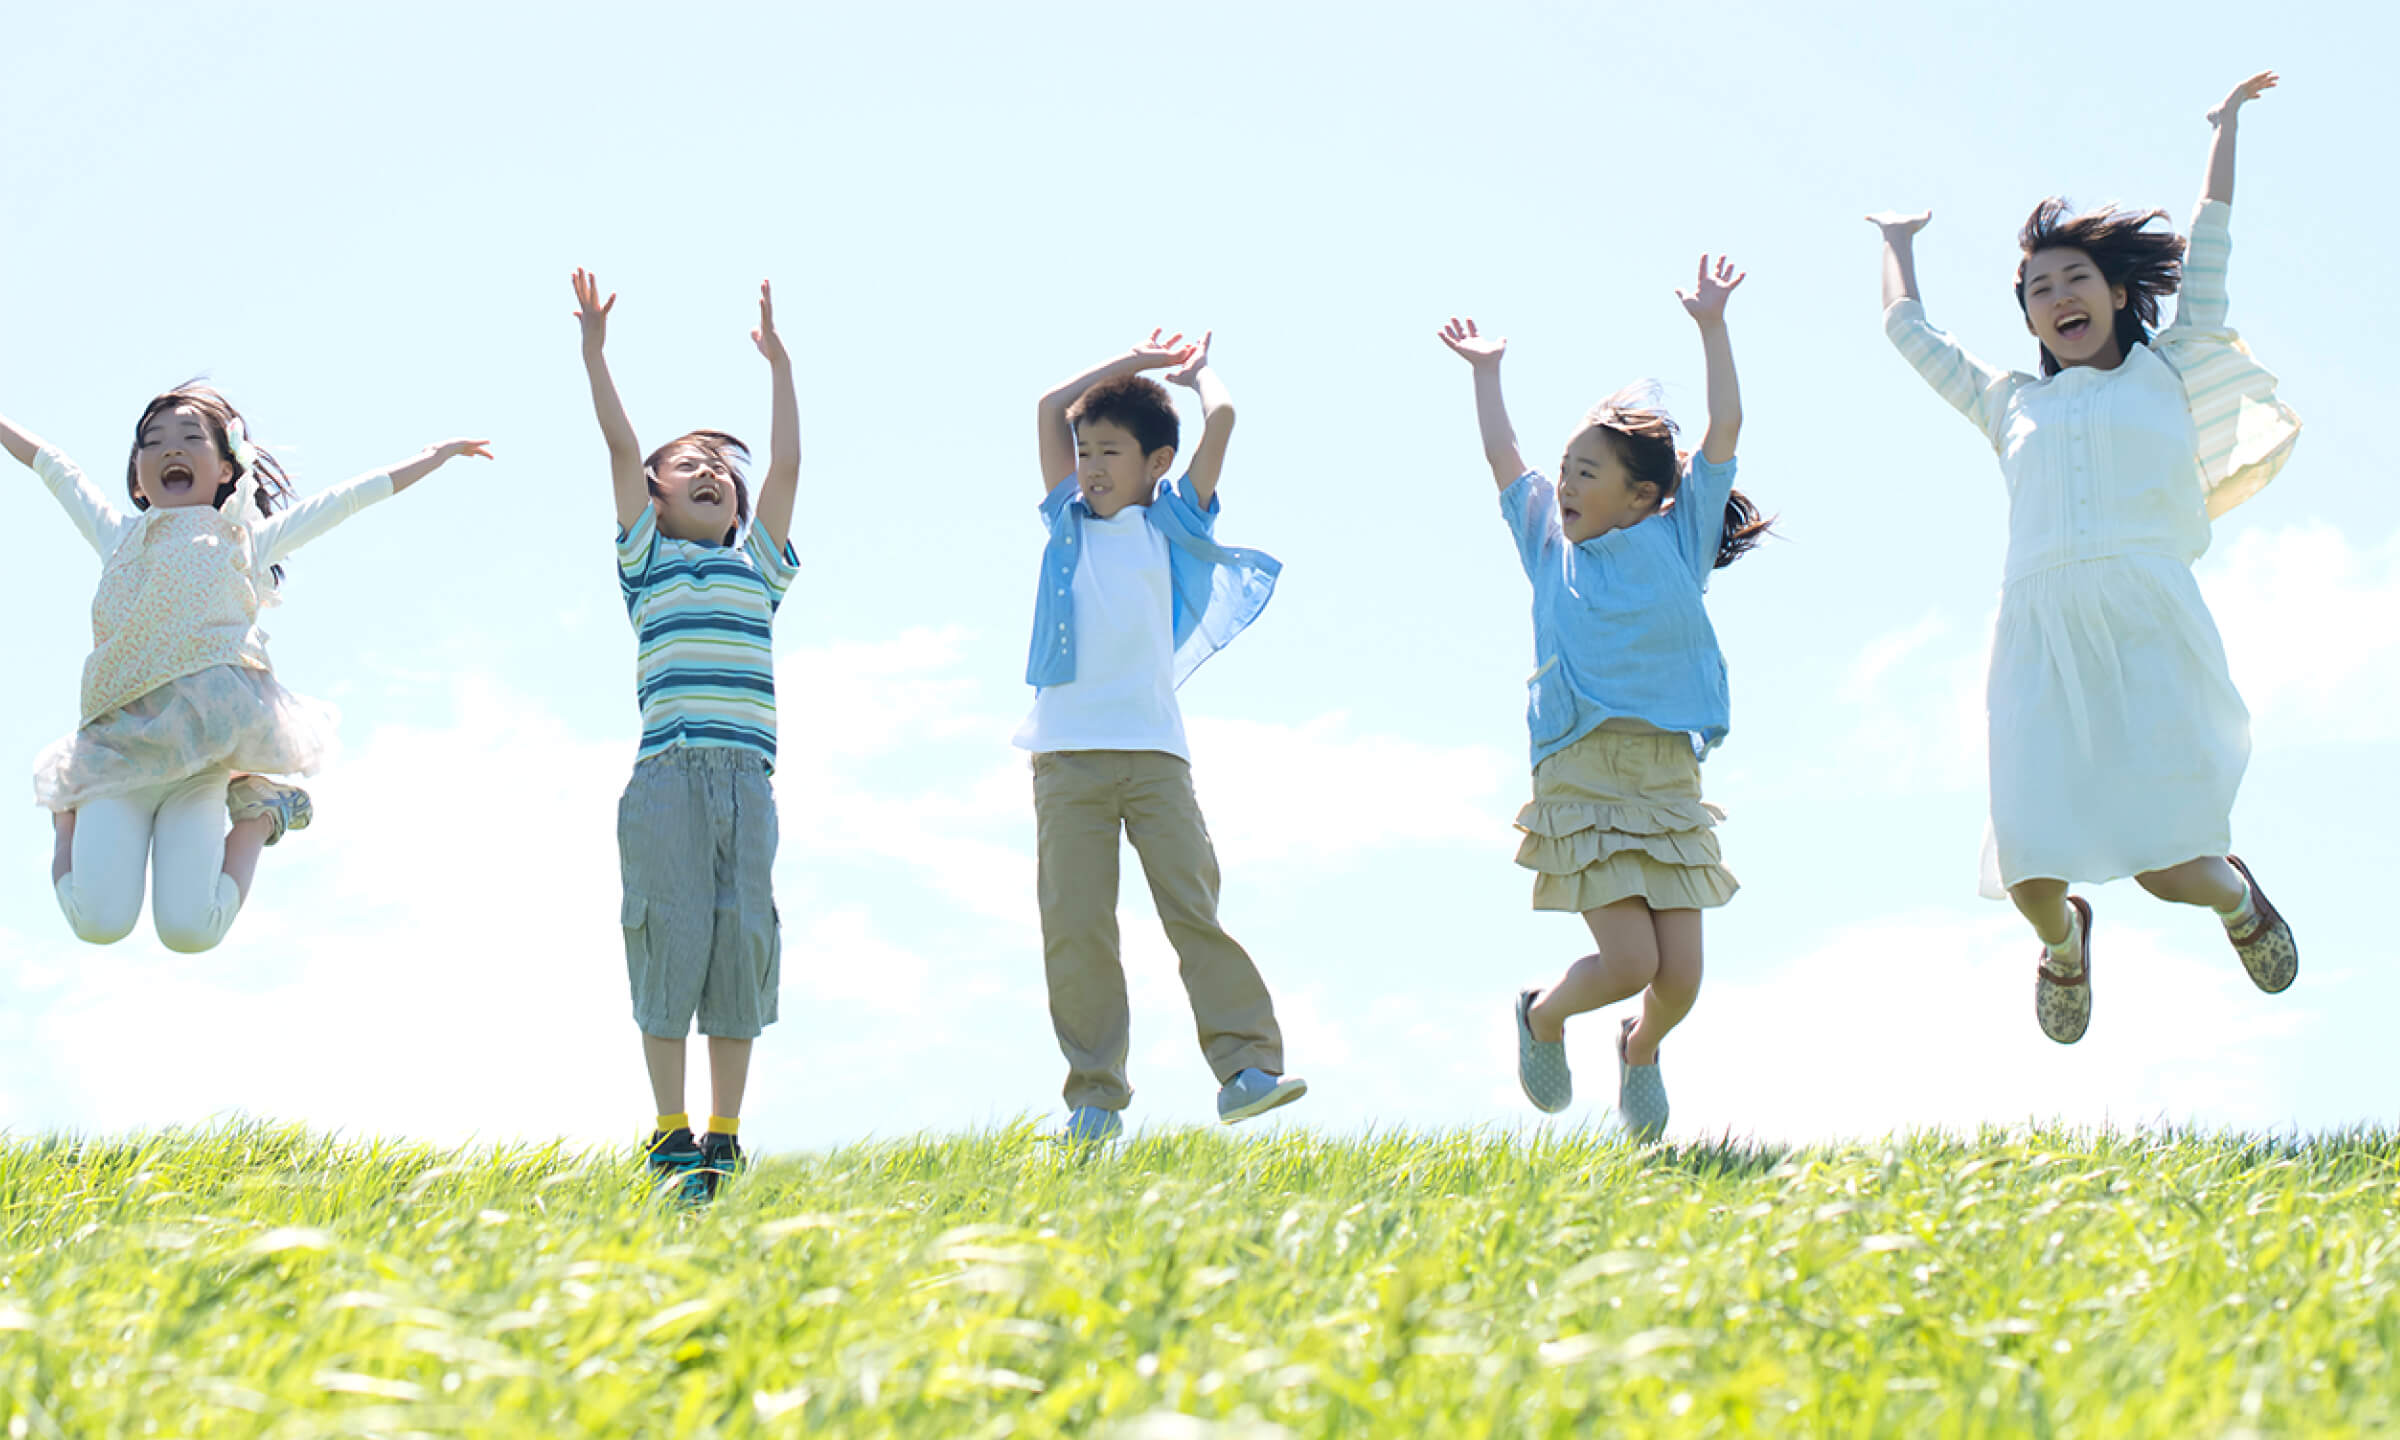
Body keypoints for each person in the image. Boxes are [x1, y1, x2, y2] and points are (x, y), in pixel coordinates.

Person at [1870, 70, 2302, 1044]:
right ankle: (2065, 943)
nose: (2056, 296)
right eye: (2036, 290)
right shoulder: (2008, 405)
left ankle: (2240, 904)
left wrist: (2224, 128)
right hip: (2037, 635)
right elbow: (1907, 331)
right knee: (2029, 869)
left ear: (2115, 294)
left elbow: (2214, 241)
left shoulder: (2171, 365)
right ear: (2027, 319)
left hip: (2147, 623)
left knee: (2167, 863)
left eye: (2073, 280)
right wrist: (1897, 245)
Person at [1439, 256, 1768, 1141]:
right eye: (1568, 470)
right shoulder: (1550, 546)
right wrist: (1488, 374)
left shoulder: (1680, 535)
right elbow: (1503, 459)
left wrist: (1712, 327)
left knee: (1680, 980)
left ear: (1646, 496)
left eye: (1589, 473)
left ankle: (1641, 1050)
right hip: (1581, 768)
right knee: (1629, 960)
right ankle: (1542, 1015)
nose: (1569, 485)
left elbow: (1727, 423)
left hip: (1665, 776)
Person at [4, 384, 488, 954]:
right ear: (138, 475)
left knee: (190, 930)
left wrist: (434, 456)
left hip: (204, 760)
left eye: (190, 439)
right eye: (152, 442)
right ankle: (66, 818)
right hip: (117, 757)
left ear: (228, 469)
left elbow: (346, 499)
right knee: (97, 922)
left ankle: (260, 814)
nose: (169, 450)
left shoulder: (245, 540)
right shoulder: (117, 537)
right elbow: (52, 466)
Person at [1018, 330, 1304, 1143]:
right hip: (1066, 756)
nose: (1092, 467)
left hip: (1154, 757)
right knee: (1077, 927)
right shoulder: (1065, 520)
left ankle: (1247, 1069)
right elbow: (1046, 406)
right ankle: (1094, 1101)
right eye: (1084, 451)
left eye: (1111, 451)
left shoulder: (1172, 525)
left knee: (1194, 909)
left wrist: (1196, 372)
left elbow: (1225, 418)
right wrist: (1134, 365)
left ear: (1157, 463)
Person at [572, 269, 801, 1197]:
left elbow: (786, 469)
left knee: (741, 941)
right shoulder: (646, 562)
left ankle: (724, 1137)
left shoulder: (762, 571)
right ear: (656, 499)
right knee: (670, 938)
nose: (711, 473)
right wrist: (596, 356)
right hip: (666, 777)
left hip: (748, 783)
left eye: (721, 469)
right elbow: (620, 446)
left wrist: (781, 369)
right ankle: (669, 1133)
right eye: (689, 466)